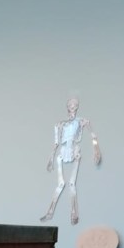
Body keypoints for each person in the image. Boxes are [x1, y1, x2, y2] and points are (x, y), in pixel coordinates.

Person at [40, 97, 102, 226]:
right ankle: (50, 213)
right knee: (60, 184)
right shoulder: (59, 124)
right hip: (62, 152)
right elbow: (56, 143)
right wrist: (51, 158)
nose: (73, 107)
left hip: (75, 151)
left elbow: (93, 134)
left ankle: (74, 213)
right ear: (67, 107)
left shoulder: (81, 121)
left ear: (77, 107)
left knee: (72, 184)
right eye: (70, 105)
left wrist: (96, 149)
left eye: (75, 105)